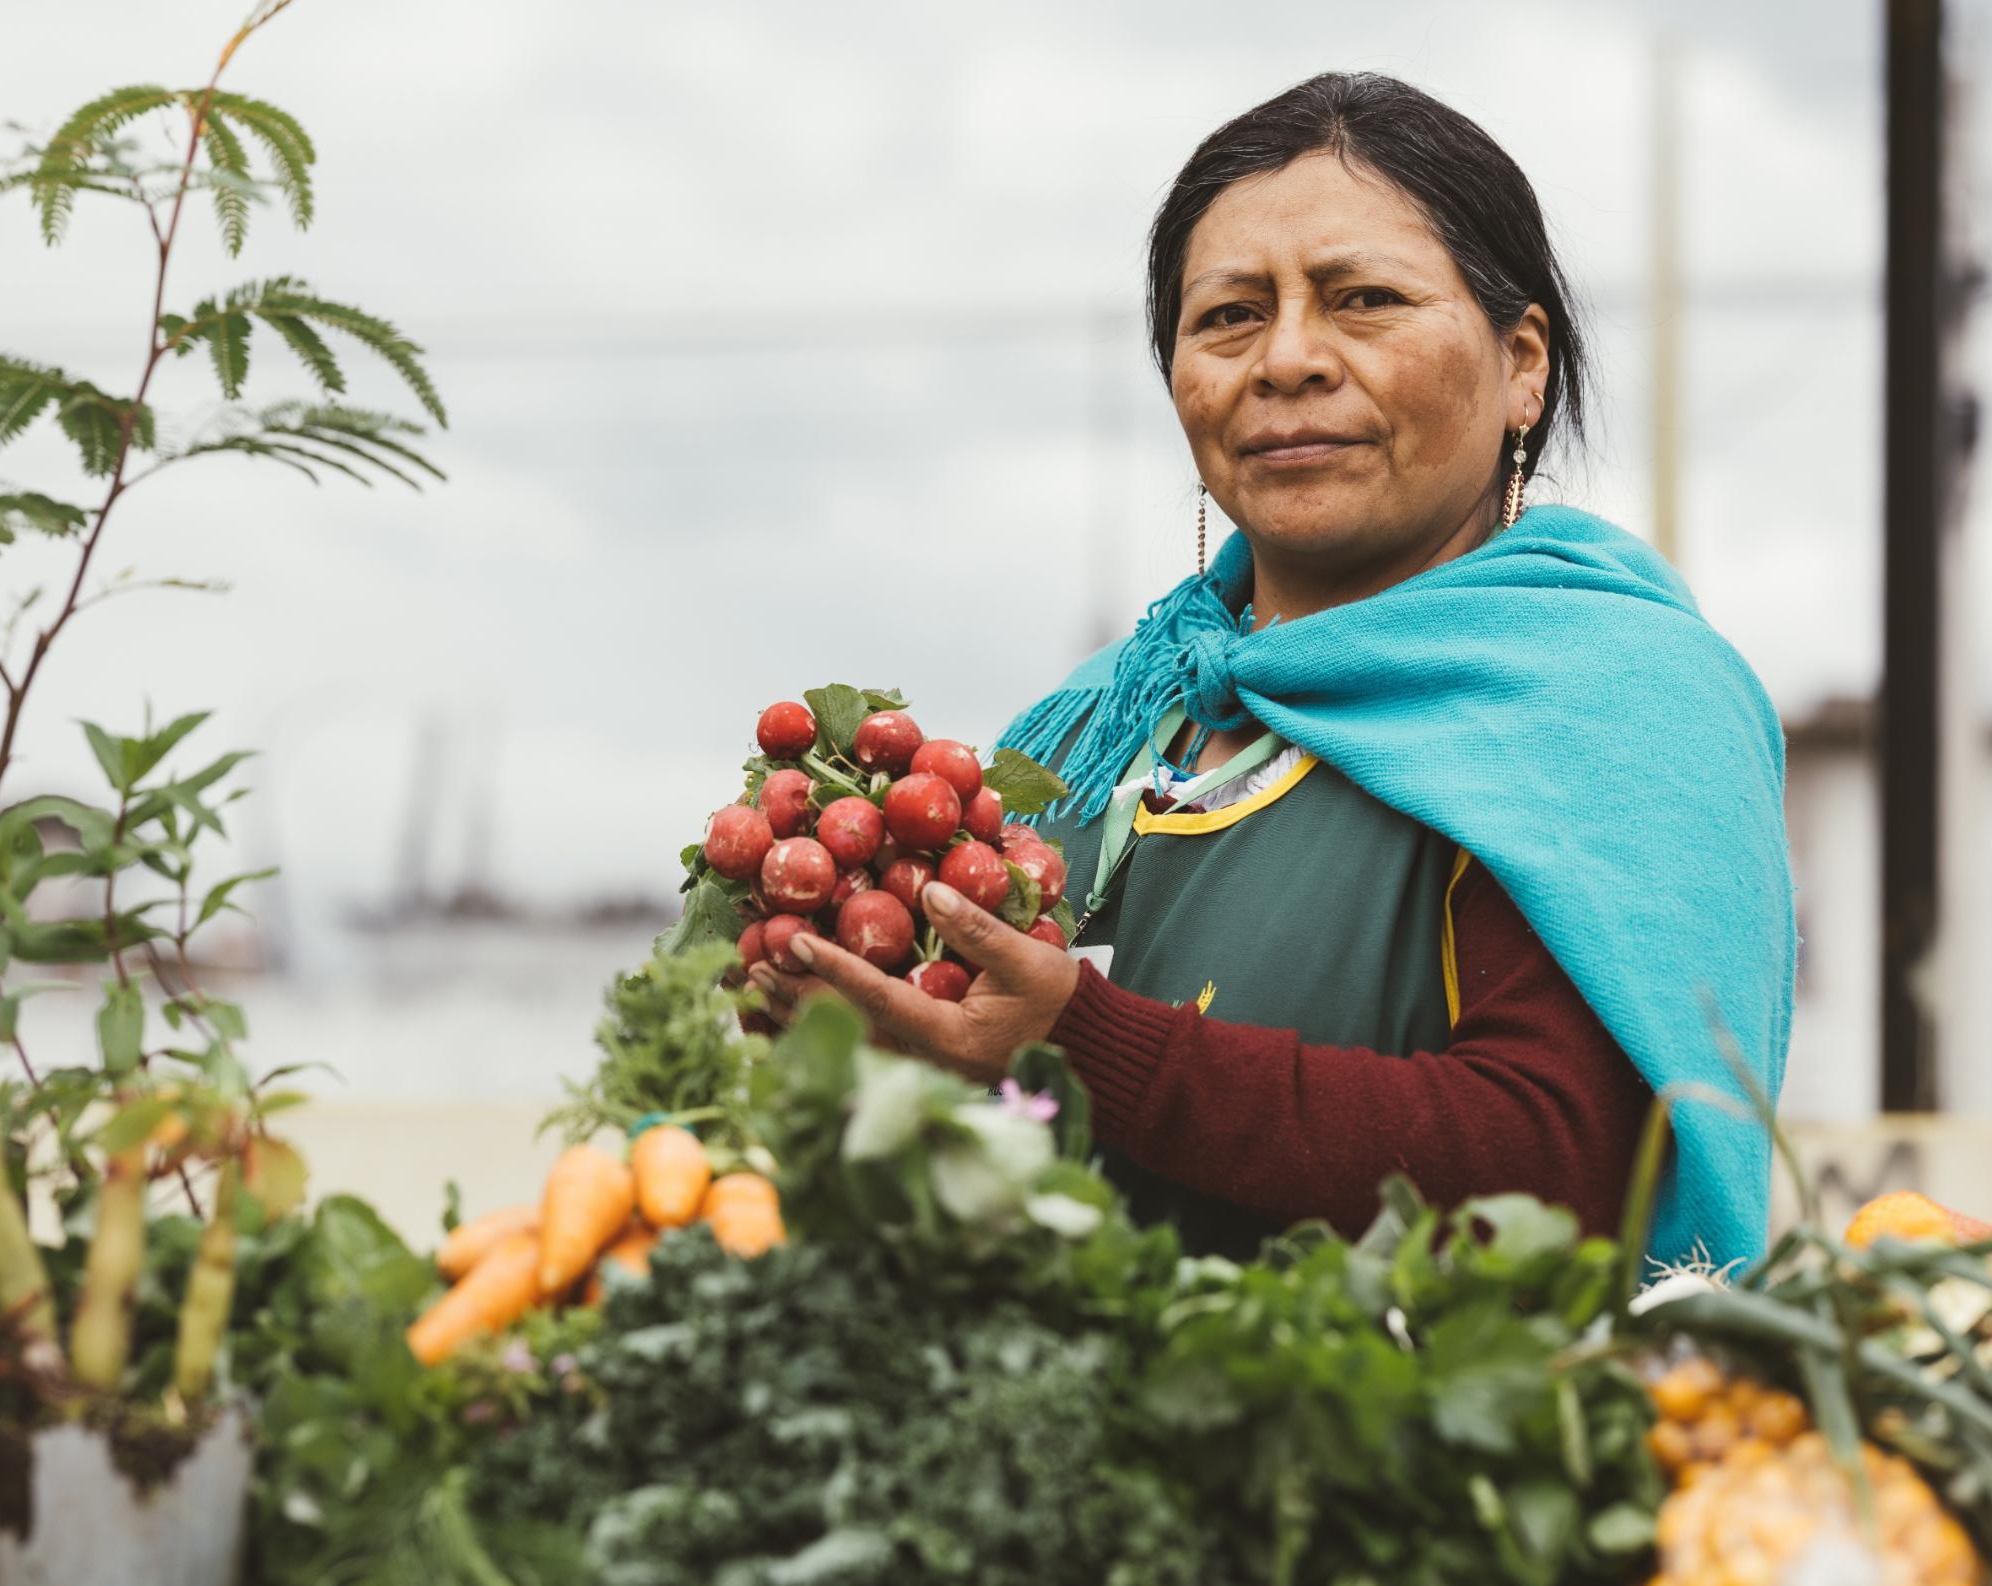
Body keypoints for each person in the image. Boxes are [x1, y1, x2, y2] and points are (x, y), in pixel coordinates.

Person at [749, 72, 1795, 1271]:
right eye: (1231, 316)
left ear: (1522, 366)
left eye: (1364, 300)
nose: (1288, 359)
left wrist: (1081, 1042)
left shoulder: (1612, 701)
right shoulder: (1120, 715)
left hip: (1415, 1441)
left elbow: (1564, 1164)